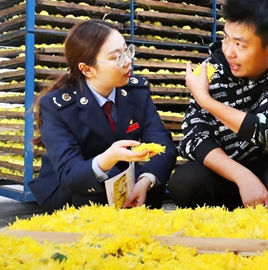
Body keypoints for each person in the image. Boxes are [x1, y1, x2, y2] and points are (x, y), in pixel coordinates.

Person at [169, 0, 268, 211]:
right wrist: (241, 176)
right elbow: (193, 138)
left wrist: (206, 101)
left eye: (240, 45)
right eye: (226, 39)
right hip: (226, 169)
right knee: (185, 183)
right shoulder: (211, 71)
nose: (229, 52)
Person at [29, 20, 177, 213]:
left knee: (153, 190)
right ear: (87, 69)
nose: (128, 61)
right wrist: (108, 159)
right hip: (75, 190)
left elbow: (163, 145)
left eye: (127, 51)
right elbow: (69, 173)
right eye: (117, 57)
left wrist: (145, 180)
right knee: (90, 199)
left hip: (124, 185)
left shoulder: (135, 92)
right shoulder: (57, 106)